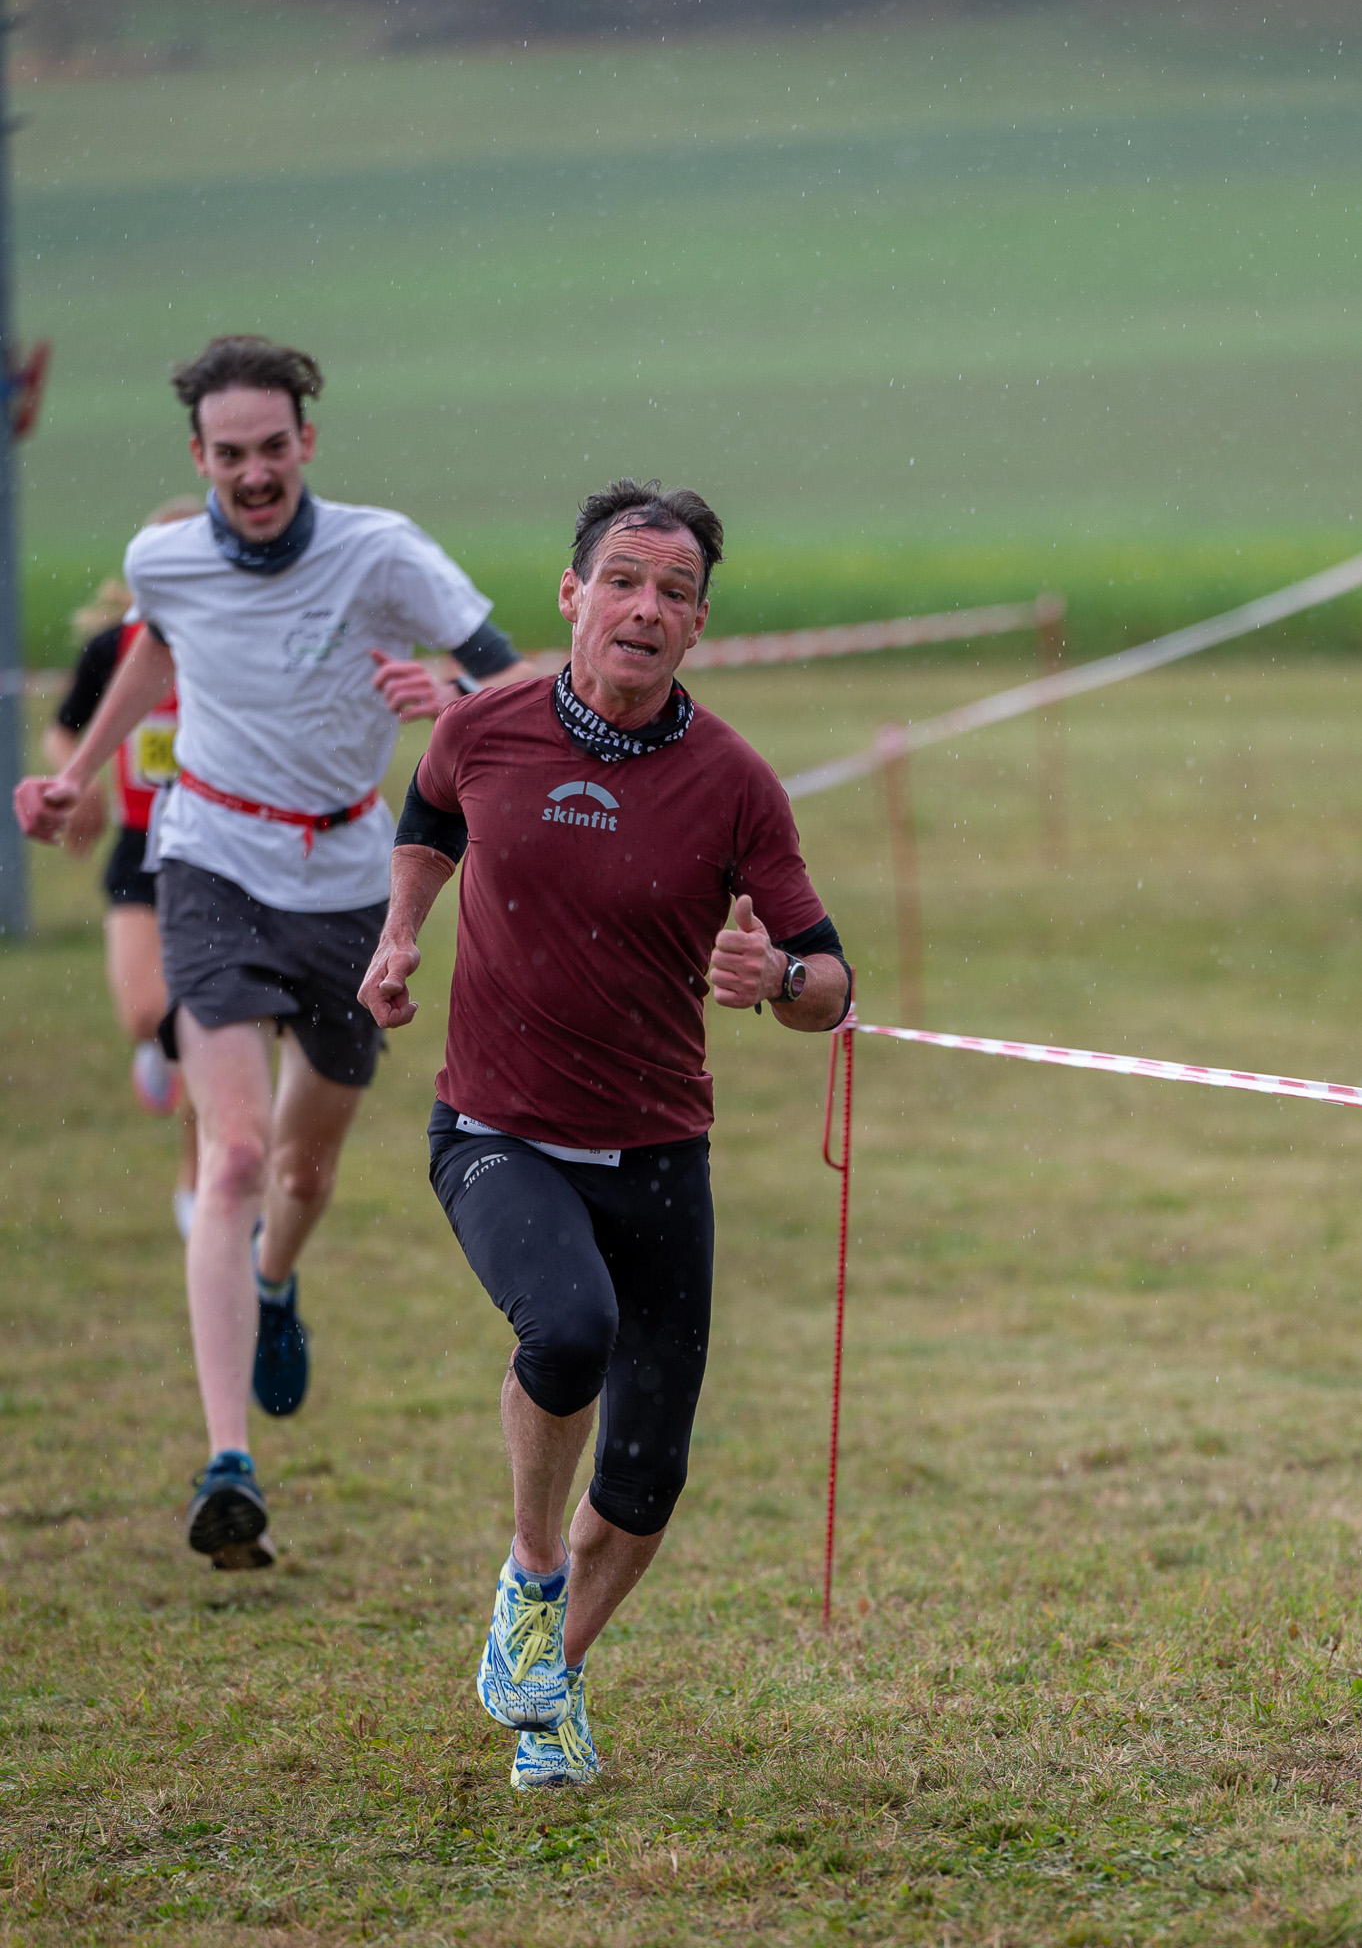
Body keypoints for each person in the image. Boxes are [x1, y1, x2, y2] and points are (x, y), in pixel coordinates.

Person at [358, 477, 851, 1790]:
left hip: (657, 1152)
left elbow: (828, 978)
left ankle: (552, 1676)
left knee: (644, 1478)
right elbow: (431, 812)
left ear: (697, 625)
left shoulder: (734, 784)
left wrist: (776, 981)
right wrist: (400, 931)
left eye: (674, 592)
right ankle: (528, 1574)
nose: (644, 607)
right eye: (622, 580)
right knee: (567, 1329)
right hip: (496, 1128)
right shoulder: (485, 725)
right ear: (572, 594)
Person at [15, 334, 530, 1570]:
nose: (253, 473)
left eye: (271, 448)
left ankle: (278, 1280)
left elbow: (514, 684)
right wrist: (83, 771)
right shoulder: (164, 558)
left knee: (302, 1169)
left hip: (349, 879)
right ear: (200, 456)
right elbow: (156, 640)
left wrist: (448, 698)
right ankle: (227, 1461)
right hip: (209, 862)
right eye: (229, 452)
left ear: (306, 442)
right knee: (235, 1152)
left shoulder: (381, 552)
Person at [45, 502, 202, 1239]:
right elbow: (62, 730)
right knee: (147, 1014)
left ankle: (199, 1180)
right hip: (141, 847)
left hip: (219, 850)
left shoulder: (234, 640)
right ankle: (158, 1048)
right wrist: (77, 784)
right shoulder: (115, 648)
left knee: (204, 1028)